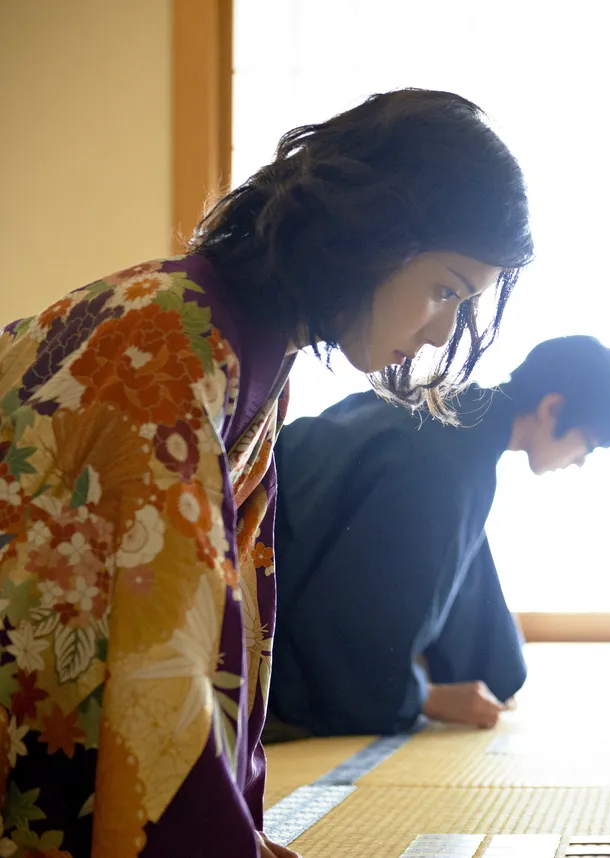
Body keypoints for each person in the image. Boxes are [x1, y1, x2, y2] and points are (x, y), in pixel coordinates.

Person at [0, 89, 532, 858]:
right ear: (376, 231)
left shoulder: (232, 337)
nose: (445, 329)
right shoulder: (172, 338)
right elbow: (163, 654)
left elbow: (215, 623)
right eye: (446, 288)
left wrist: (235, 832)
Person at [267, 335, 610, 739]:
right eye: (589, 444)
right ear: (553, 408)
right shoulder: (450, 464)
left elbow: (458, 568)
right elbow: (348, 617)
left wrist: (497, 667)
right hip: (264, 612)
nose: (581, 461)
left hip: (277, 551)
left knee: (499, 663)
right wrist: (428, 698)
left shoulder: (449, 413)